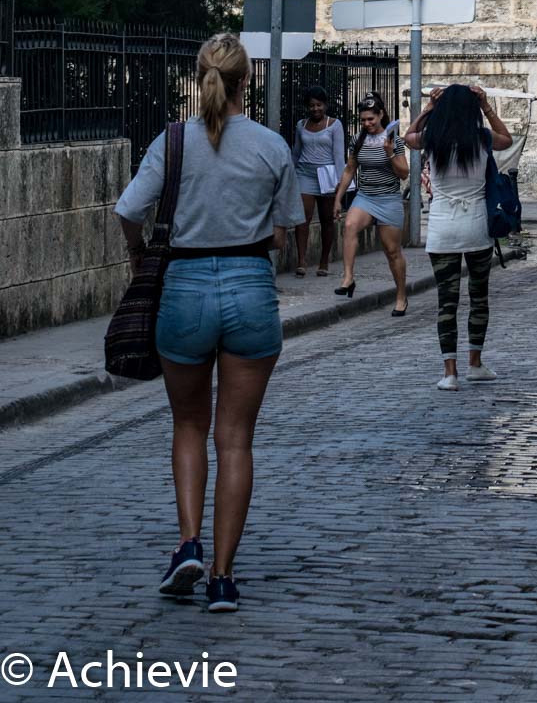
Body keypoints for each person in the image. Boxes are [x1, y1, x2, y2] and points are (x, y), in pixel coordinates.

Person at [113, 33, 305, 614]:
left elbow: (128, 210)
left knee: (188, 425)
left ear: (198, 78)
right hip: (249, 288)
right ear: (249, 81)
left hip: (184, 289)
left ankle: (188, 544)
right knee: (237, 437)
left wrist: (139, 252)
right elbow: (286, 231)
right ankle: (223, 576)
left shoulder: (172, 144)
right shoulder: (270, 146)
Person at [405, 83, 513, 391]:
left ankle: (449, 372)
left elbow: (407, 137)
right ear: (472, 110)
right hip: (476, 224)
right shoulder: (481, 139)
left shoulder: (433, 139)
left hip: (442, 227)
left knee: (446, 302)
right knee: (479, 299)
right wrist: (486, 106)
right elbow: (506, 139)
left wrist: (427, 109)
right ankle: (475, 364)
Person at [332, 93, 409, 315]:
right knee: (349, 226)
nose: (367, 124)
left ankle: (401, 295)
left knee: (392, 251)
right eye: (363, 120)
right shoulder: (358, 140)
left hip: (389, 199)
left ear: (381, 115)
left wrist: (390, 153)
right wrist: (338, 198)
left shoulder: (394, 141)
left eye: (371, 120)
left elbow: (404, 173)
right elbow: (349, 170)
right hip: (366, 197)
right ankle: (348, 277)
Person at [291, 85, 345, 277]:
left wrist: (340, 182)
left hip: (327, 176)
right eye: (312, 105)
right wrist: (289, 173)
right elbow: (296, 152)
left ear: (325, 105)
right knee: (302, 218)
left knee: (326, 219)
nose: (316, 109)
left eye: (319, 105)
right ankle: (302, 260)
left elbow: (339, 156)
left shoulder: (335, 125)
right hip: (304, 174)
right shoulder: (301, 125)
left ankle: (324, 261)